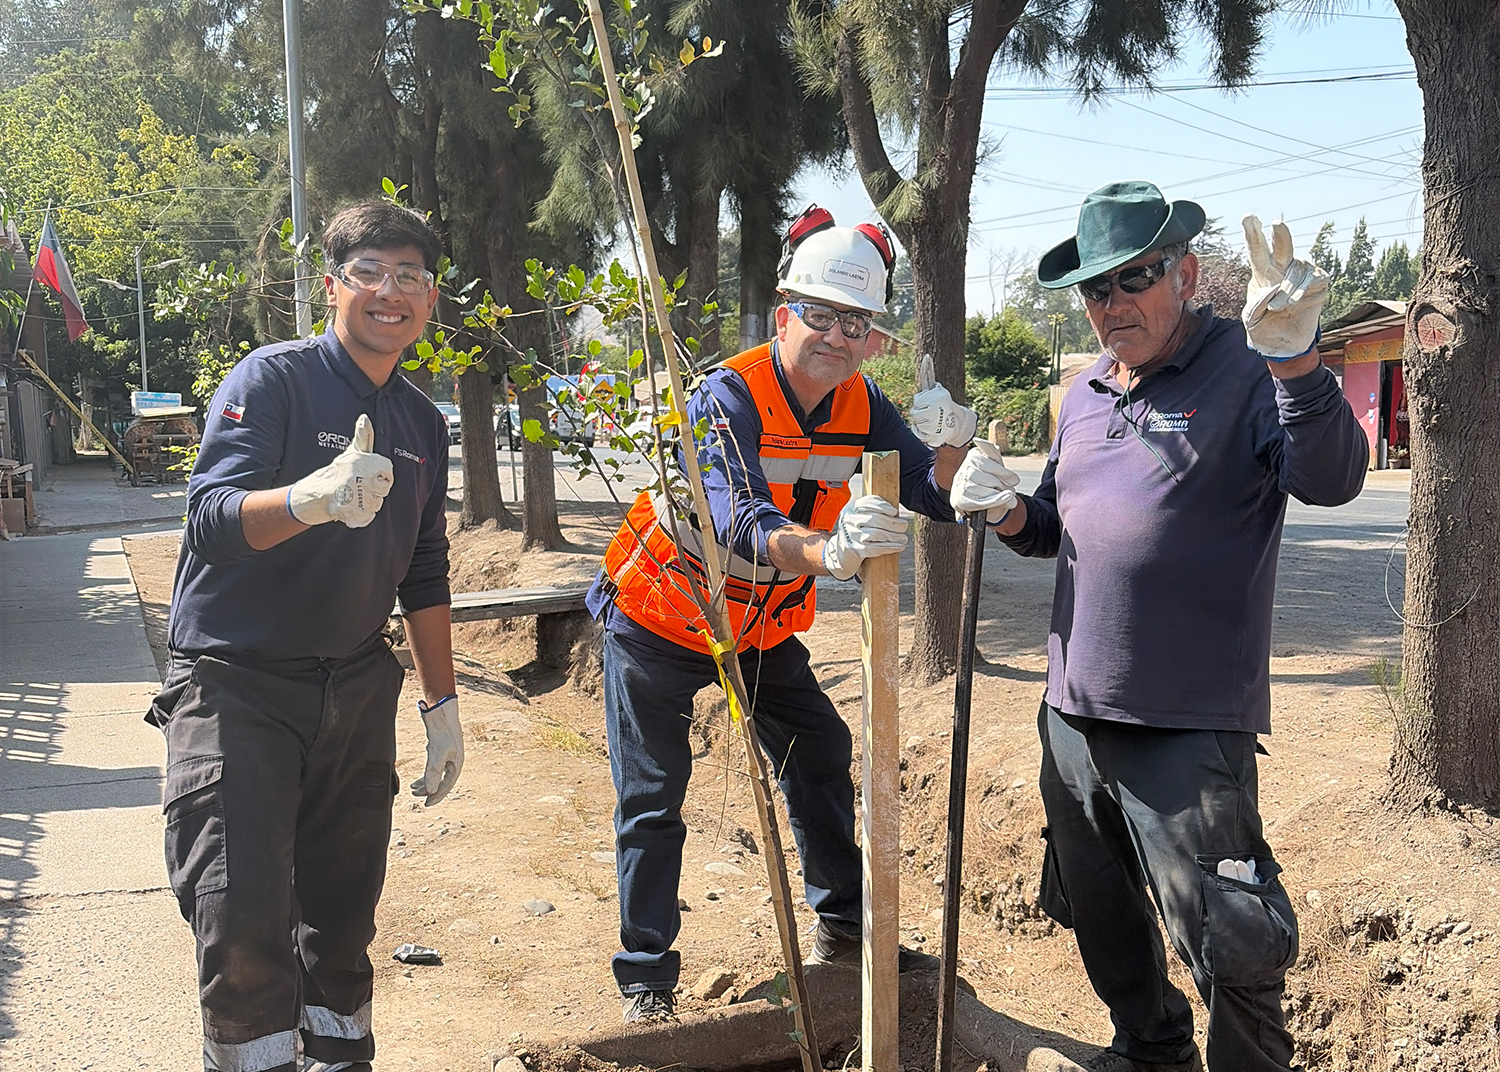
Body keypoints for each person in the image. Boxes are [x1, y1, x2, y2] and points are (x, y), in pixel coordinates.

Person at [949, 181, 1368, 1072]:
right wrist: (1006, 511)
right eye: (1094, 290)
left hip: (1184, 722)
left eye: (1132, 279)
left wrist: (1298, 365)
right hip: (1072, 716)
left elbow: (1332, 480)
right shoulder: (1087, 390)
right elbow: (1058, 527)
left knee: (1231, 936)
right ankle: (1149, 1051)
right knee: (1104, 918)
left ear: (1187, 273)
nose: (1111, 306)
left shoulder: (1248, 366)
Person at [586, 206, 979, 1022]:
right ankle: (646, 977)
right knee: (655, 797)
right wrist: (831, 552)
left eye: (857, 323)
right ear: (783, 315)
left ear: (872, 338)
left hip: (759, 628)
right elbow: (737, 518)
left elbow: (928, 492)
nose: (836, 337)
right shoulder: (724, 395)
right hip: (663, 616)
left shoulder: (863, 403)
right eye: (822, 315)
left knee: (819, 749)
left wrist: (956, 457)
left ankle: (841, 927)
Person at [148, 200, 464, 1072]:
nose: (389, 292)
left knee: (342, 922)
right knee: (242, 918)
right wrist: (310, 498)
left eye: (409, 276)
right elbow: (209, 520)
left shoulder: (420, 423)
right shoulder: (272, 380)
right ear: (333, 286)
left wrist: (442, 703)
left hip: (355, 690)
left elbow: (425, 568)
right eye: (370, 273)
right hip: (238, 687)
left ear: (429, 299)